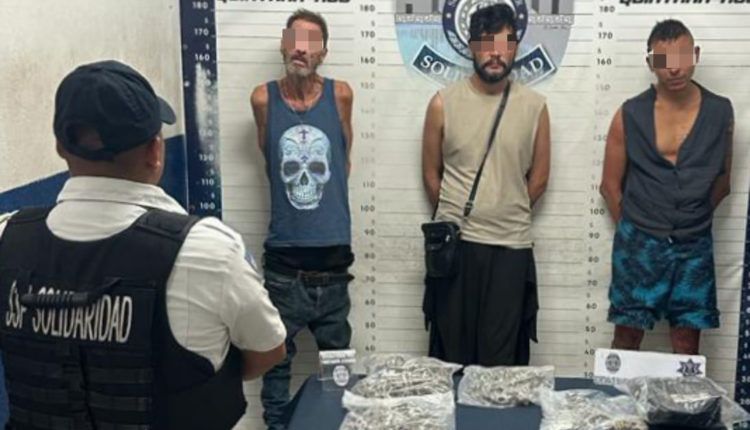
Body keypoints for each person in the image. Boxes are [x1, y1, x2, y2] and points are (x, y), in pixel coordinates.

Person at [0, 60, 287, 430]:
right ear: (155, 151)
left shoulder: (8, 237)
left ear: (60, 146)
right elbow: (268, 351)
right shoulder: (208, 250)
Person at [421, 3, 551, 366]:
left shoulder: (536, 107)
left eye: (504, 44)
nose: (495, 53)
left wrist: (504, 208)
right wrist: (458, 213)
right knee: (453, 356)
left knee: (501, 360)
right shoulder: (443, 103)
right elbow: (431, 174)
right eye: (486, 43)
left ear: (515, 47)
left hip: (511, 247)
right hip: (456, 247)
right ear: (471, 46)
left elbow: (539, 179)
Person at [600, 19, 733, 354]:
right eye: (663, 60)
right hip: (638, 243)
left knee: (687, 343)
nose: (674, 68)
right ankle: (618, 394)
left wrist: (690, 218)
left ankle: (682, 396)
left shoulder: (721, 112)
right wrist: (635, 231)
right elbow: (609, 187)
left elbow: (722, 181)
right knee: (626, 337)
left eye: (682, 57)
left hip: (694, 244)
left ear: (695, 55)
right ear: (650, 63)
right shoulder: (629, 113)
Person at [249, 9, 355, 429]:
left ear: (323, 53)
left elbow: (342, 160)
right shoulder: (263, 99)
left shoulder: (341, 95)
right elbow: (271, 162)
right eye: (294, 39)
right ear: (283, 43)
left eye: (311, 42)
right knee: (275, 365)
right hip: (284, 263)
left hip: (334, 259)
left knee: (339, 369)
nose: (301, 49)